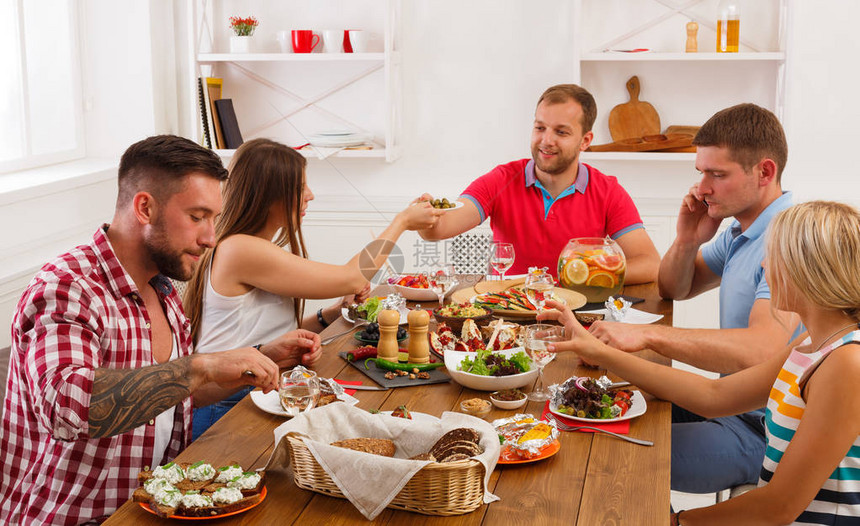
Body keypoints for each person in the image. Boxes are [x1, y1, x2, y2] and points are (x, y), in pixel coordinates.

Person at [0, 135, 322, 524]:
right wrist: (199, 365)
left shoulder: (163, 289)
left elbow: (173, 395)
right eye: (197, 216)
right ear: (145, 207)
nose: (210, 237)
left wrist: (257, 359)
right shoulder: (67, 287)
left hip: (153, 509)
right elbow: (69, 407)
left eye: (214, 219)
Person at [541, 201, 860, 525]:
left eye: (775, 257)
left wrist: (677, 521)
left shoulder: (846, 364)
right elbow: (714, 394)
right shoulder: (809, 345)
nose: (764, 265)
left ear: (810, 271)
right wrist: (602, 352)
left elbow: (777, 508)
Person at [588, 103, 801, 494]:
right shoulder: (742, 229)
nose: (702, 188)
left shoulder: (789, 240)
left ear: (765, 172)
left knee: (614, 456)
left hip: (767, 434)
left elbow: (759, 350)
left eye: (717, 175)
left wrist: (647, 337)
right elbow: (673, 288)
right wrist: (687, 238)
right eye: (701, 172)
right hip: (731, 406)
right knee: (593, 410)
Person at [184, 138, 443, 439]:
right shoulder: (240, 250)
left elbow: (263, 336)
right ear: (271, 194)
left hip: (262, 393)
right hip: (227, 409)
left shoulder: (249, 247)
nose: (310, 195)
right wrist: (401, 222)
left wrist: (328, 315)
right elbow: (352, 276)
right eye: (301, 186)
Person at [417, 83, 660, 284]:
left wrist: (584, 275)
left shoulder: (608, 192)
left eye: (561, 132)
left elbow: (649, 264)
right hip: (508, 315)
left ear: (585, 141)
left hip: (578, 318)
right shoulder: (501, 179)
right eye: (540, 128)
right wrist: (425, 214)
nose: (546, 140)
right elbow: (438, 229)